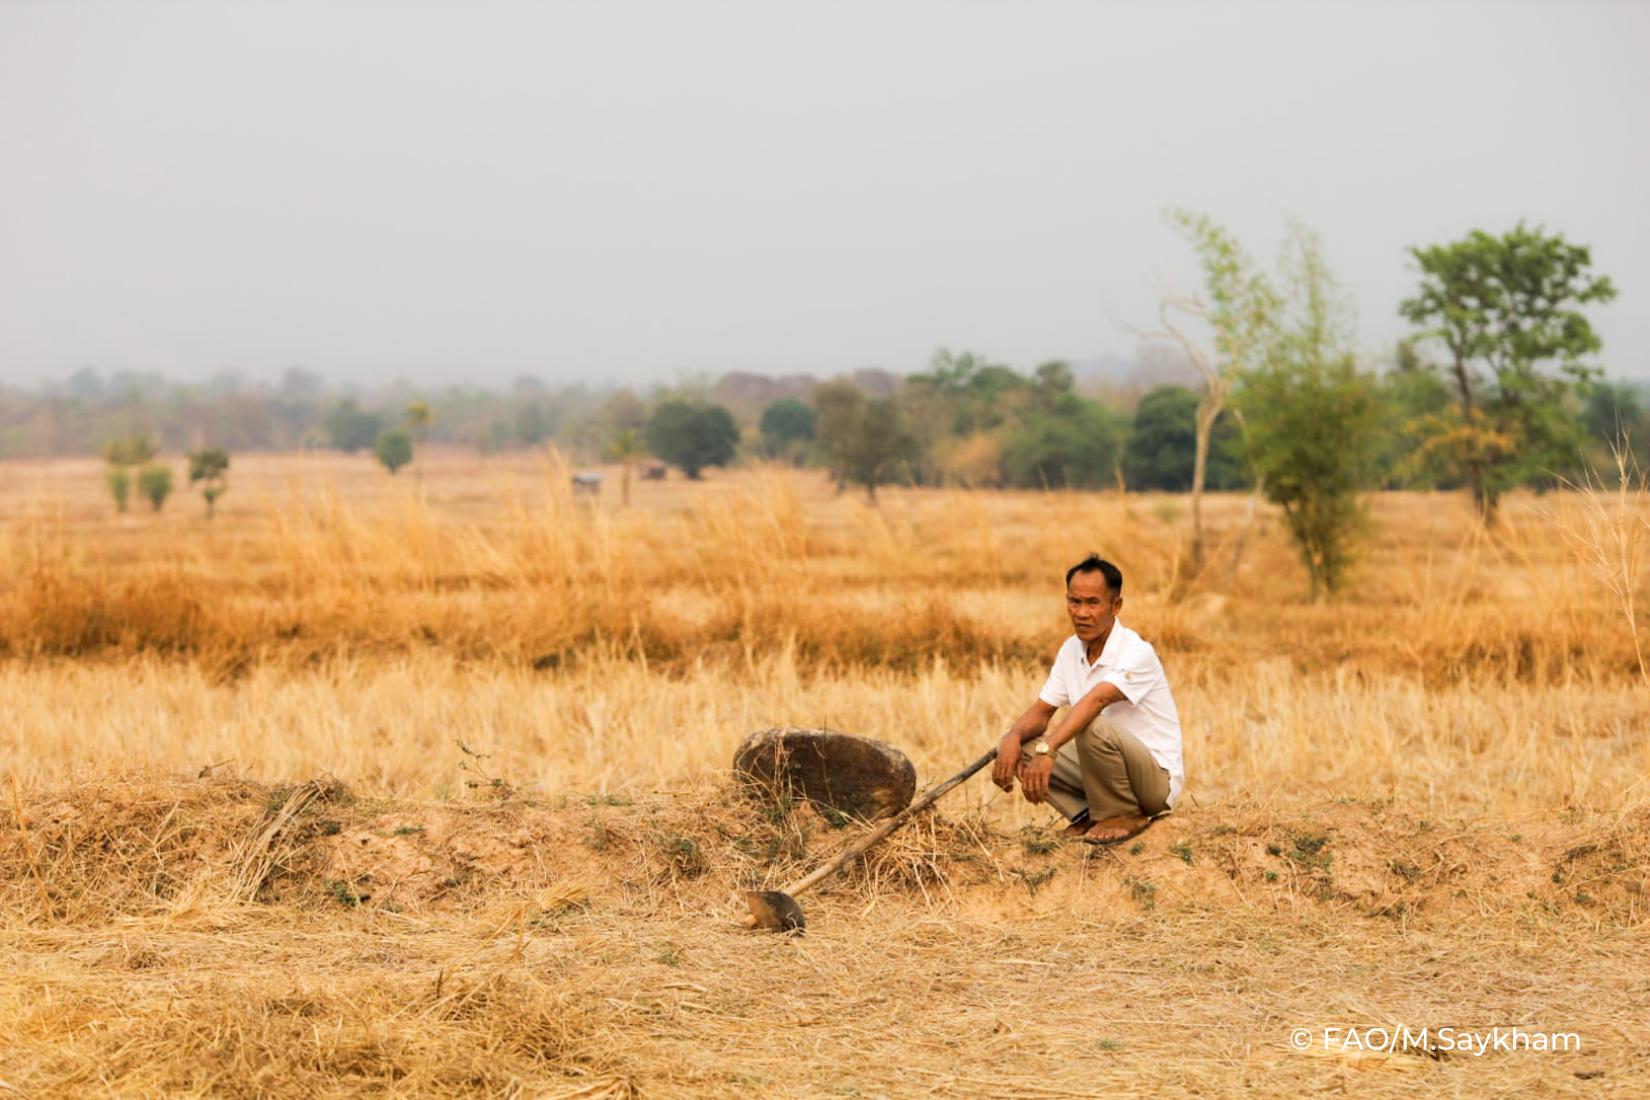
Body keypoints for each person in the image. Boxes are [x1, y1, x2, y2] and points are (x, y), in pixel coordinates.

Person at [992, 554, 1185, 843]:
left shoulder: (1136, 651)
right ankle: (1088, 814)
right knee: (1024, 746)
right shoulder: (1071, 649)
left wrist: (1050, 750)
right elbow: (1043, 711)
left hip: (1154, 783)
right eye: (1075, 602)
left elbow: (1096, 701)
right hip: (1105, 774)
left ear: (1115, 606)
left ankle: (1125, 814)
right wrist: (1011, 738)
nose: (1082, 613)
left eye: (1093, 603)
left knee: (1090, 726)